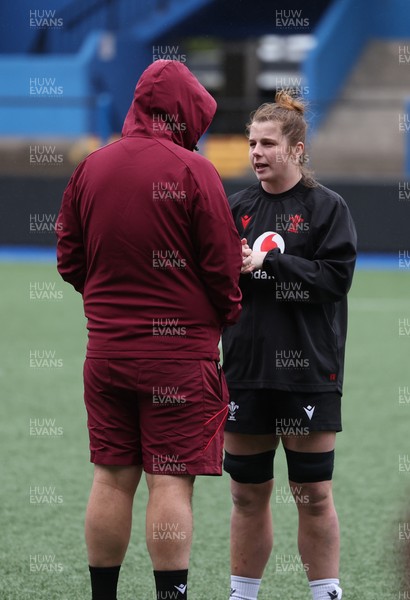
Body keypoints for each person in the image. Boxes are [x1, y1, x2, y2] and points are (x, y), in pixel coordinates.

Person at [55, 59, 242, 600]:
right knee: (169, 480)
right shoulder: (193, 170)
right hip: (179, 359)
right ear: (183, 113)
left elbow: (69, 258)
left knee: (111, 477)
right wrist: (224, 313)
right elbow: (222, 267)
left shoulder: (91, 167)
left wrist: (108, 303)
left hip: (107, 352)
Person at [221, 91, 357, 600]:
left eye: (268, 143)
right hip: (244, 371)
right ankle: (243, 593)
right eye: (252, 142)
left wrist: (266, 265)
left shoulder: (328, 208)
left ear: (297, 149)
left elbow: (334, 279)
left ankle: (325, 592)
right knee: (246, 494)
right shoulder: (234, 208)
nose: (256, 152)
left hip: (307, 375)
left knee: (313, 494)